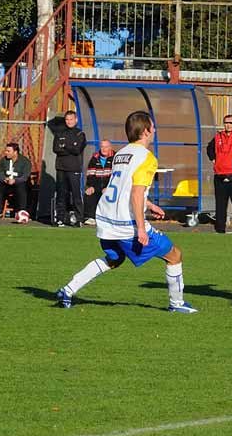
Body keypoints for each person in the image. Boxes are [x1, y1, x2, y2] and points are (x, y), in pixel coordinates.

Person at [56, 111, 197, 313]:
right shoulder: (147, 158)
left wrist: (149, 204)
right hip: (125, 222)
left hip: (106, 217)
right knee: (174, 255)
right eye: (153, 126)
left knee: (114, 258)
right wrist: (141, 228)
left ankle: (68, 290)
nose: (155, 130)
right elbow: (136, 192)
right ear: (147, 131)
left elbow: (125, 187)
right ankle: (177, 304)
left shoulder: (121, 153)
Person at [53, 110, 87, 227]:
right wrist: (70, 146)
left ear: (76, 120)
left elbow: (77, 150)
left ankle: (79, 219)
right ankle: (60, 218)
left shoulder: (80, 134)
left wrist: (65, 147)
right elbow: (56, 149)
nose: (69, 121)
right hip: (61, 167)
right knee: (61, 194)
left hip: (74, 168)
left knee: (76, 194)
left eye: (71, 119)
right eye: (67, 119)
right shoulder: (59, 133)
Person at [0, 143, 32, 218]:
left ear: (15, 152)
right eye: (6, 150)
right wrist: (4, 178)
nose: (6, 152)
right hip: (7, 184)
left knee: (22, 186)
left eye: (8, 151)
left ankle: (22, 212)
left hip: (19, 184)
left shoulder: (25, 161)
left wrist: (15, 180)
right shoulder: (4, 160)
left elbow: (25, 176)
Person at [83, 139, 115, 225]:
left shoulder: (115, 158)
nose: (104, 149)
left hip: (110, 186)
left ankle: (108, 217)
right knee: (89, 192)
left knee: (108, 193)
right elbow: (90, 174)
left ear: (110, 148)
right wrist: (91, 186)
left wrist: (108, 187)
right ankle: (91, 217)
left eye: (106, 147)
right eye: (102, 147)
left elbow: (115, 176)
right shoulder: (95, 158)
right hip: (97, 184)